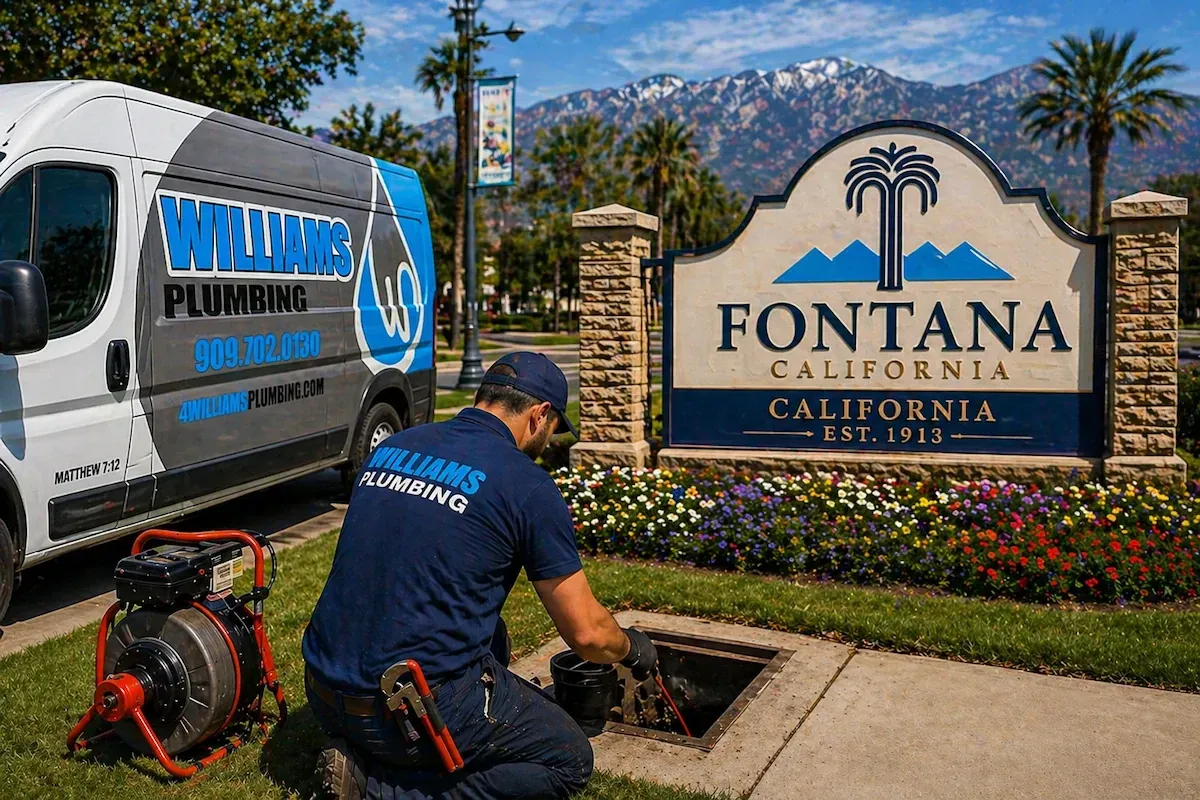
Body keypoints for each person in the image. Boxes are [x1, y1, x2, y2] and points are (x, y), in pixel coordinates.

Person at [301, 351, 658, 800]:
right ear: (539, 414)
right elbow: (587, 634)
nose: (547, 442)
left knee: (495, 635)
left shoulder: (393, 448)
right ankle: (376, 788)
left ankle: (359, 751)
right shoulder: (525, 484)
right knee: (568, 759)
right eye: (551, 429)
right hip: (404, 714)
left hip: (323, 690)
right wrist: (630, 647)